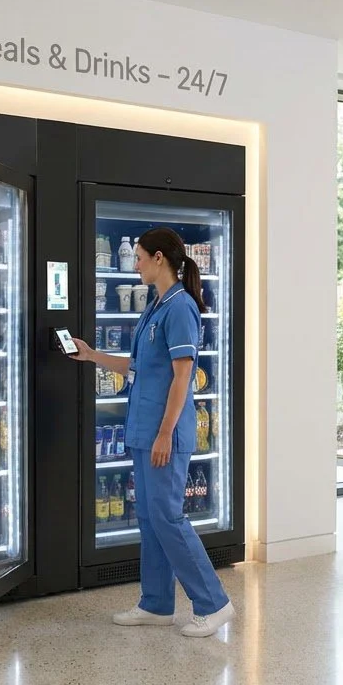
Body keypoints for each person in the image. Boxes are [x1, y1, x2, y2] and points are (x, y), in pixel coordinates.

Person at [70, 227, 234, 637]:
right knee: (149, 517)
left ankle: (214, 604)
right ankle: (157, 603)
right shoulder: (156, 305)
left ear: (159, 258)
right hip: (143, 429)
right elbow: (138, 367)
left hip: (165, 432)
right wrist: (91, 355)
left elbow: (183, 378)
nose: (136, 263)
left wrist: (165, 434)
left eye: (140, 257)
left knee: (167, 516)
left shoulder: (180, 308)